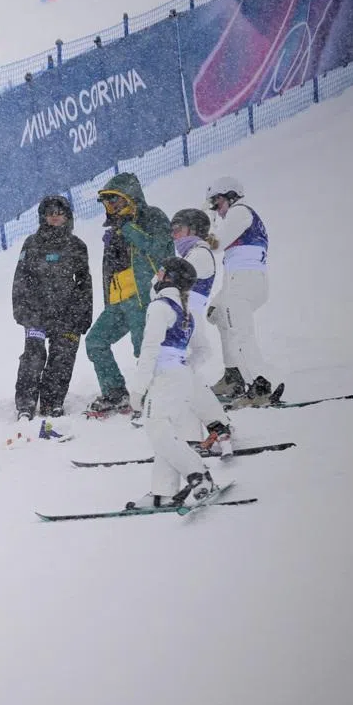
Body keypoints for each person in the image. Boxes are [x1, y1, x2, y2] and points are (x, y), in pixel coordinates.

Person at [125, 258, 221, 510]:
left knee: (158, 431)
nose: (157, 275)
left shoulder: (159, 307)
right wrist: (182, 367)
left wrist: (138, 388)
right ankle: (163, 492)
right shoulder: (187, 308)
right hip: (180, 376)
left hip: (165, 378)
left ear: (167, 277)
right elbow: (203, 350)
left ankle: (199, 475)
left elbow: (149, 349)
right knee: (167, 434)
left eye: (161, 271)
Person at [85, 173, 174, 417]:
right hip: (118, 302)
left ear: (130, 197)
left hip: (143, 298)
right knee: (96, 341)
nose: (111, 207)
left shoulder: (151, 216)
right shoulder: (114, 229)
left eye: (116, 201)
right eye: (108, 202)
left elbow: (158, 248)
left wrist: (129, 228)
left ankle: (157, 396)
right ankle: (115, 393)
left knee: (143, 349)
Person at [11, 195, 92, 420]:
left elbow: (84, 282)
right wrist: (21, 309)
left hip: (67, 313)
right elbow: (21, 278)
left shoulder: (77, 246)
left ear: (67, 216)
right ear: (43, 217)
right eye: (50, 213)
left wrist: (84, 314)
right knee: (33, 356)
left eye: (59, 212)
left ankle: (52, 402)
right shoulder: (32, 243)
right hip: (36, 313)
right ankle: (26, 404)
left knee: (63, 357)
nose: (55, 216)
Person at [204, 177, 274, 404]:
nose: (216, 209)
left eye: (217, 203)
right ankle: (233, 375)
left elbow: (216, 243)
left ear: (231, 196)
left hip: (246, 281)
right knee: (218, 315)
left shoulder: (240, 211)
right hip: (239, 280)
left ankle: (259, 385)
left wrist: (200, 234)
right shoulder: (236, 216)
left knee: (241, 332)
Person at [170, 209, 233, 451]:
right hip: (184, 318)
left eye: (179, 228)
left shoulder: (199, 253)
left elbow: (171, 283)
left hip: (186, 319)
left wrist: (162, 279)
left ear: (194, 230)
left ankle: (206, 431)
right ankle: (217, 426)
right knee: (183, 376)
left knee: (180, 374)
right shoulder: (193, 254)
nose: (174, 234)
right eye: (172, 229)